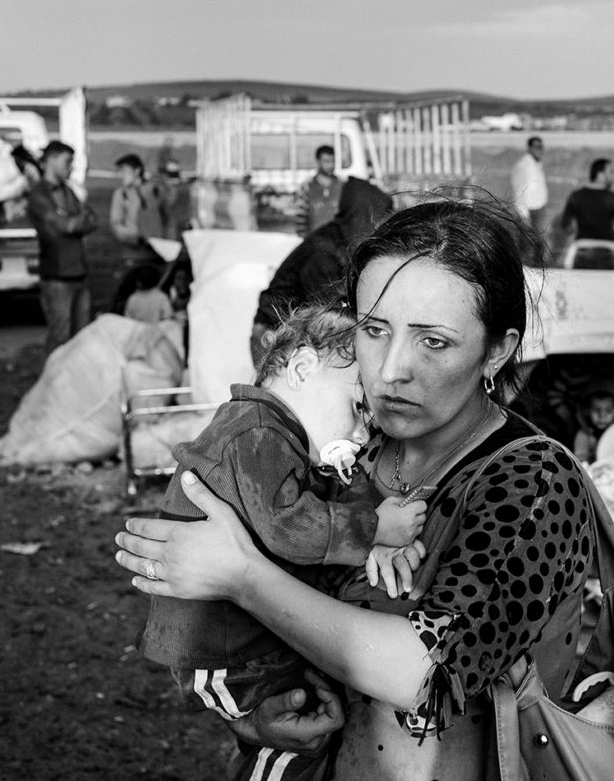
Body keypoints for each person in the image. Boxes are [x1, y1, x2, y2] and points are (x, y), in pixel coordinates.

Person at [116, 199, 602, 778]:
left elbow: (422, 672)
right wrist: (259, 715)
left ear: (496, 350)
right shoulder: (350, 448)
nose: (391, 369)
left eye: (434, 342)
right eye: (375, 330)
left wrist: (240, 575)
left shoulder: (533, 481)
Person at [138, 303, 427, 781]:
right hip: (227, 649)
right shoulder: (256, 432)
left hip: (235, 635)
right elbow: (288, 527)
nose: (359, 434)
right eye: (357, 408)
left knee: (306, 727)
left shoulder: (268, 434)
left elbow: (321, 502)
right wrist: (377, 529)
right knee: (296, 741)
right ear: (302, 369)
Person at [251, 178, 392, 365]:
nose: (378, 230)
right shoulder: (323, 252)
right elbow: (333, 314)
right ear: (362, 216)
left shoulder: (339, 243)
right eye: (376, 220)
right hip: (276, 341)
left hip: (294, 337)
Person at [26, 141, 98, 355]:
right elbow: (64, 226)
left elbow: (92, 219)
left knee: (82, 338)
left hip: (79, 273)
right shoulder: (39, 195)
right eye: (67, 161)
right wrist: (75, 221)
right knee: (60, 337)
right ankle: (53, 383)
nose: (71, 167)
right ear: (52, 160)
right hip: (57, 277)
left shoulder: (68, 191)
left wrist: (73, 221)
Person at [559, 157, 614, 269]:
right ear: (600, 174)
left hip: (582, 251)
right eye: (611, 172)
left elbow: (565, 225)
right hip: (609, 252)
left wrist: (576, 232)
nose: (613, 176)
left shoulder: (576, 196)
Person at [110, 153, 176, 271]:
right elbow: (116, 224)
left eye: (124, 171)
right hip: (132, 255)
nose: (121, 175)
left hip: (157, 255)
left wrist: (169, 247)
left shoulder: (155, 191)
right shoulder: (121, 194)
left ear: (137, 171)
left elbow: (168, 219)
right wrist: (136, 239)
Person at [509, 136, 549, 264]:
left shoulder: (537, 163)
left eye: (541, 147)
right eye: (536, 147)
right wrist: (523, 213)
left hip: (539, 207)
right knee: (526, 243)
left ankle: (538, 268)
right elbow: (520, 189)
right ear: (530, 148)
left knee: (539, 242)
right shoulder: (523, 165)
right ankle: (525, 270)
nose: (539, 150)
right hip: (528, 209)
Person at [572, 377, 614, 464]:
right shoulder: (583, 436)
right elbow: (580, 464)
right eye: (596, 410)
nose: (602, 416)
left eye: (608, 411)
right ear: (586, 411)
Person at [299, 145, 344, 236]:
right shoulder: (307, 187)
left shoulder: (343, 186)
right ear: (318, 162)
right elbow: (300, 218)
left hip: (338, 242)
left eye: (333, 161)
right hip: (314, 242)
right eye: (326, 161)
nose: (330, 165)